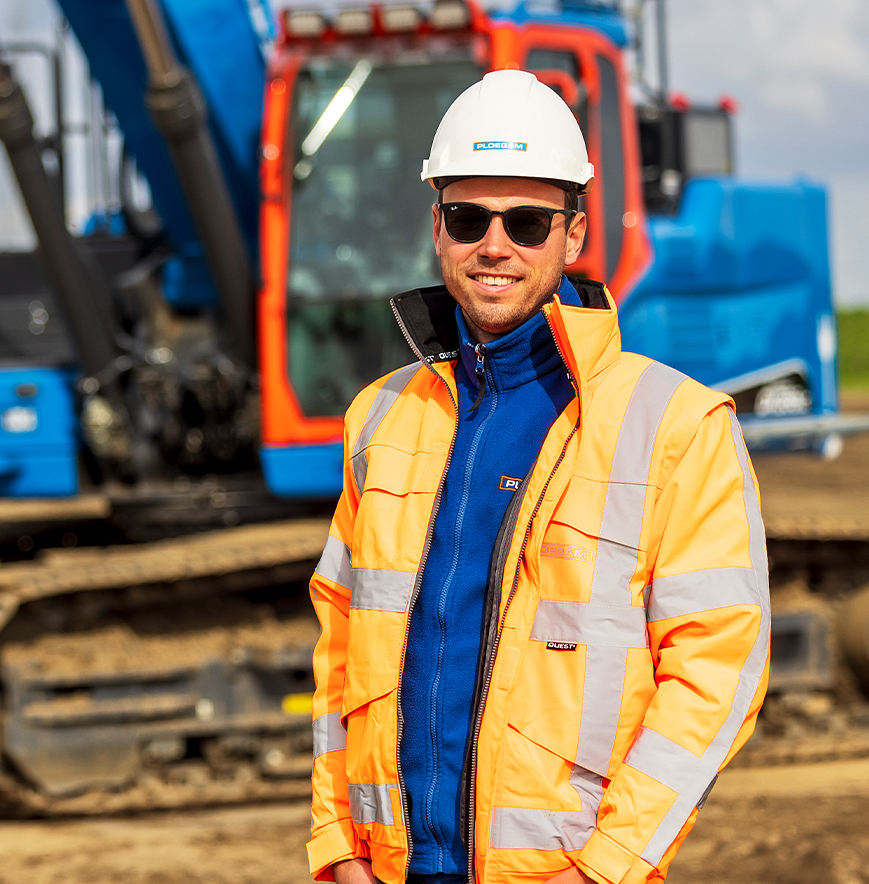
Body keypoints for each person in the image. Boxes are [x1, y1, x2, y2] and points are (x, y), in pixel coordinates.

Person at [305, 70, 769, 884]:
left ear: (574, 233)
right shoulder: (379, 417)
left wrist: (605, 868)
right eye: (468, 217)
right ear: (438, 227)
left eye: (526, 221)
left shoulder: (675, 426)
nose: (495, 245)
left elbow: (716, 671)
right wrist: (337, 845)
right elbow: (340, 648)